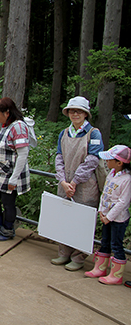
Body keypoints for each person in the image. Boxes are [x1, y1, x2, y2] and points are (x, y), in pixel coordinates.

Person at [51, 96, 104, 271]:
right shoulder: (64, 133)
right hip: (65, 181)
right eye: (72, 110)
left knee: (83, 220)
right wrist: (63, 180)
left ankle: (79, 256)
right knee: (65, 218)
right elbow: (59, 157)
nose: (75, 114)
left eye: (79, 111)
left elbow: (92, 160)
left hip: (85, 184)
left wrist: (74, 181)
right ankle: (63, 252)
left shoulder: (93, 133)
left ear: (85, 114)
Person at [0, 97, 30, 241]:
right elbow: (5, 141)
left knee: (8, 202)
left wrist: (14, 178)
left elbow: (23, 154)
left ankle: (8, 229)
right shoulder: (6, 125)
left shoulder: (19, 126)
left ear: (7, 112)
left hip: (10, 172)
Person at [84, 145, 131, 285]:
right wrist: (101, 211)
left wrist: (109, 217)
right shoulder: (111, 173)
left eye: (109, 159)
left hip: (117, 218)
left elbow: (123, 202)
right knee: (105, 242)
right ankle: (101, 268)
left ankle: (116, 275)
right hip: (106, 216)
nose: (107, 162)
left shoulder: (127, 179)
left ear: (119, 162)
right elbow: (105, 193)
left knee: (116, 244)